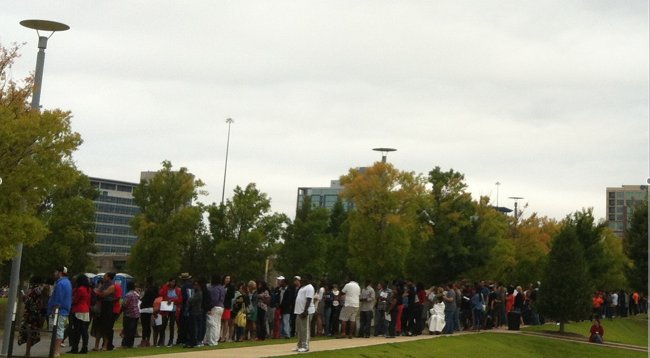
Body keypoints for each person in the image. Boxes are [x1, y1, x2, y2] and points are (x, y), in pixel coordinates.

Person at [48, 266, 72, 358]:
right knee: (59, 330)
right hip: (64, 311)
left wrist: (54, 310)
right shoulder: (67, 282)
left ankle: (56, 351)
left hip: (59, 311)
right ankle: (56, 350)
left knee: (57, 330)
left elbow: (58, 299)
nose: (54, 274)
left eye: (56, 272)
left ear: (60, 273)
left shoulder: (60, 284)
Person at [18, 278, 47, 357]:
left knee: (29, 333)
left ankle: (27, 352)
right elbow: (39, 303)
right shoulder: (38, 290)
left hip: (30, 315)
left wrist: (25, 297)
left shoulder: (33, 290)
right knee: (31, 333)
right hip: (35, 315)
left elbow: (27, 301)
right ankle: (27, 352)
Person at [68, 274, 91, 354]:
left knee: (77, 330)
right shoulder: (88, 289)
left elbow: (75, 300)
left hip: (78, 310)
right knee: (84, 330)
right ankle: (84, 347)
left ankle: (75, 348)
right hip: (85, 310)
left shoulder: (80, 289)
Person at [293, 274, 315, 353]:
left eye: (305, 278)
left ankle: (306, 346)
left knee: (305, 329)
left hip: (305, 311)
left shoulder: (310, 287)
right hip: (299, 311)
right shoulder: (302, 287)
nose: (303, 279)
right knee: (300, 329)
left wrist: (305, 311)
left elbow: (308, 300)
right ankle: (300, 345)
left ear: (309, 279)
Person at [158, 278, 182, 347]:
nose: (172, 283)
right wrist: (166, 285)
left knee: (172, 325)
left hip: (173, 310)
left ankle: (170, 341)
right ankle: (160, 341)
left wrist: (172, 300)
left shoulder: (177, 290)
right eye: (171, 282)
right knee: (163, 325)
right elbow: (160, 293)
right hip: (166, 309)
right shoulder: (166, 289)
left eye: (174, 282)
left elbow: (180, 299)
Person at [205, 274, 225, 346]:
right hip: (221, 306)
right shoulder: (222, 288)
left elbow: (214, 300)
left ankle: (212, 340)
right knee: (217, 324)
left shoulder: (214, 288)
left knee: (212, 324)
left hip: (215, 307)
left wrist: (209, 308)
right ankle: (213, 339)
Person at [139, 277, 157, 347]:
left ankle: (143, 341)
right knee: (148, 326)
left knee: (144, 326)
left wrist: (141, 300)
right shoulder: (154, 290)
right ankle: (148, 340)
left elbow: (145, 299)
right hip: (151, 308)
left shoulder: (148, 290)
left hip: (145, 309)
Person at [121, 281, 140, 348]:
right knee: (133, 330)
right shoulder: (136, 294)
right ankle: (130, 344)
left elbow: (124, 304)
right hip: (136, 314)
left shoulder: (128, 295)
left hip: (129, 314)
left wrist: (120, 312)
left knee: (127, 329)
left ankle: (125, 344)